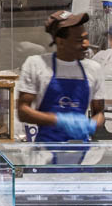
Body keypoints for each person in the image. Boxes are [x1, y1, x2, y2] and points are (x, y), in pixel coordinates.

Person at [16, 10, 106, 143]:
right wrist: (59, 120)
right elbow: (23, 111)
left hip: (80, 149)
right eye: (79, 40)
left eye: (86, 38)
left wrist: (91, 125)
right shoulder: (36, 65)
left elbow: (99, 113)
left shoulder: (94, 69)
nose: (86, 44)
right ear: (61, 42)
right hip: (45, 150)